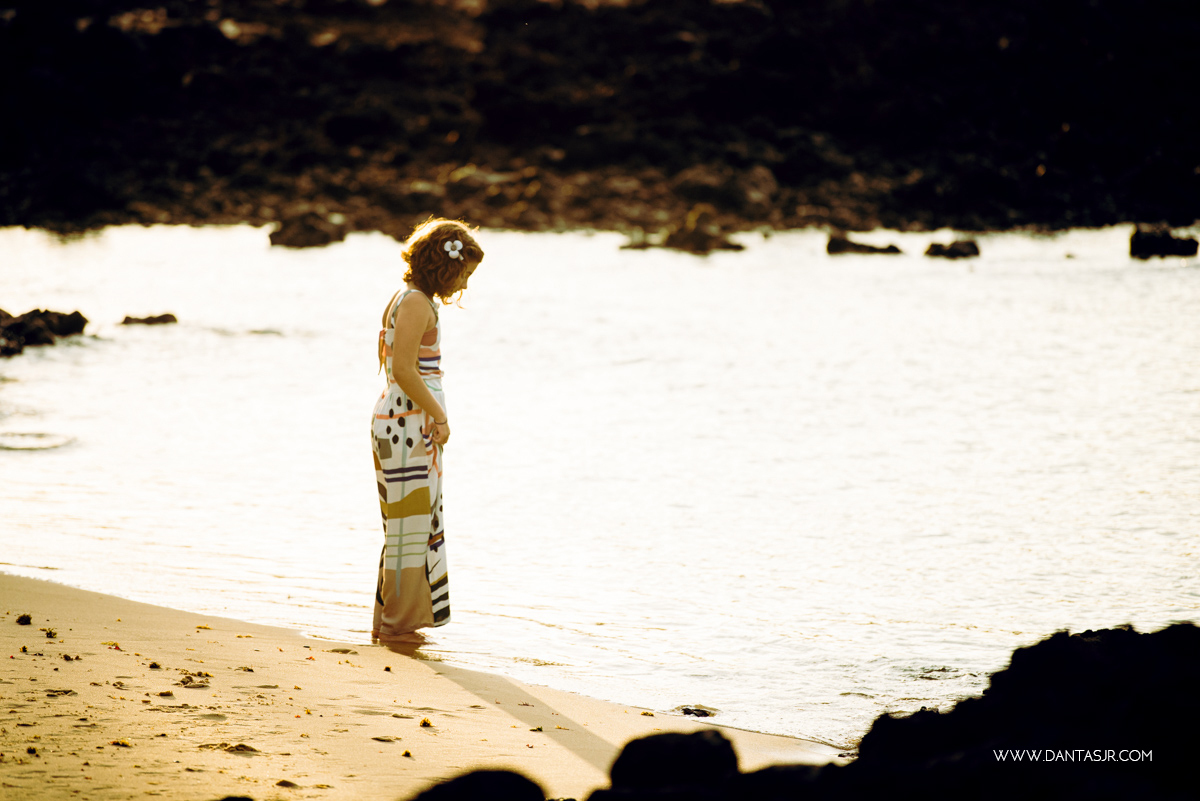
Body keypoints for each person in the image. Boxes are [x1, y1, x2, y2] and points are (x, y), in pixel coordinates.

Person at [371, 219, 483, 643]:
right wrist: (439, 416)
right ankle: (398, 625)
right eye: (464, 274)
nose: (465, 286)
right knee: (409, 525)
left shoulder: (408, 297)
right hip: (407, 423)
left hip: (401, 421)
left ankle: (393, 621)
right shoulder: (417, 302)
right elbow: (403, 370)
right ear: (443, 264)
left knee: (408, 522)